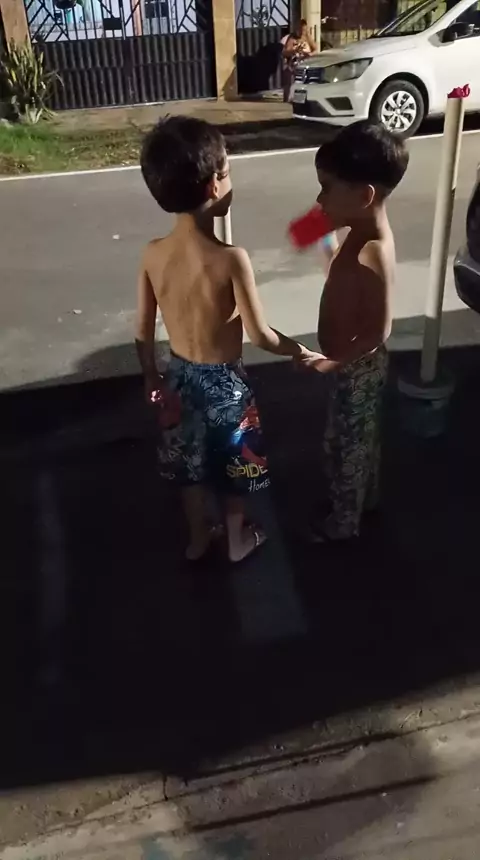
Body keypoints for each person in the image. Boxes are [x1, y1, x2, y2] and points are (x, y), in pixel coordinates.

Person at [136, 116, 322, 564]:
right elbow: (260, 334)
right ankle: (238, 539)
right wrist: (298, 349)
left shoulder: (153, 253)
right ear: (214, 185)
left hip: (178, 379)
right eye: (229, 170)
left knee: (189, 465)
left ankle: (198, 538)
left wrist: (150, 376)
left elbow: (142, 328)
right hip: (226, 387)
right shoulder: (231, 259)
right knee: (235, 466)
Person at [301, 120, 409, 542]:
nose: (319, 199)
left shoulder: (372, 250)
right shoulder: (360, 229)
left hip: (357, 367)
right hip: (348, 364)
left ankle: (343, 524)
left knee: (347, 447)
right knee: (358, 439)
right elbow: (326, 250)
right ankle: (366, 498)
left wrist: (333, 361)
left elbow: (380, 330)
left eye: (326, 188)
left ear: (364, 196)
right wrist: (320, 236)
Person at [281, 18, 317, 103]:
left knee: (303, 83)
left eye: (304, 30)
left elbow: (316, 50)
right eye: (300, 30)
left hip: (305, 64)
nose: (302, 32)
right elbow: (285, 52)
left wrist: (310, 54)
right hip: (294, 65)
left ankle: (301, 101)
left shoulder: (308, 37)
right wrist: (294, 50)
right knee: (291, 82)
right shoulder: (292, 38)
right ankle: (287, 101)